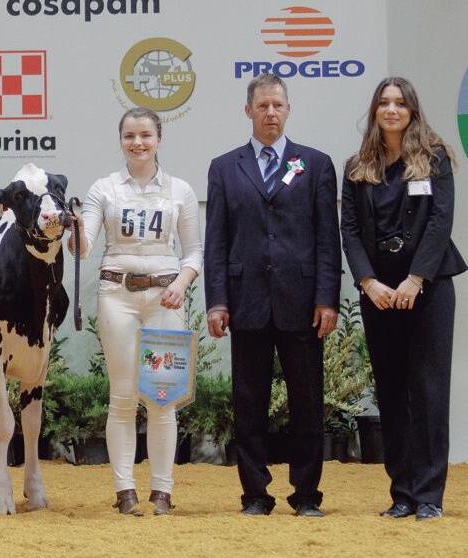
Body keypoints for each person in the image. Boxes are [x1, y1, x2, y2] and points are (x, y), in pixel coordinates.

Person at [204, 73, 340, 517]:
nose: (270, 113)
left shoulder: (315, 164)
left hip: (302, 303)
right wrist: (217, 301)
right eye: (262, 106)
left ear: (288, 110)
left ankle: (307, 495)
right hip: (246, 302)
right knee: (249, 405)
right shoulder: (225, 167)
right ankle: (255, 495)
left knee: (307, 403)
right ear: (248, 110)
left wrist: (327, 298)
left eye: (278, 105)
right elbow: (216, 240)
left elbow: (328, 238)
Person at [340, 77, 463, 521]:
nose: (391, 110)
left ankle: (429, 495)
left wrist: (415, 279)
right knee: (392, 392)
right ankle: (403, 493)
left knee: (428, 392)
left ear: (412, 110)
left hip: (427, 289)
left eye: (400, 103)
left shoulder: (434, 157)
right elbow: (350, 229)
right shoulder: (357, 166)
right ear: (375, 111)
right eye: (384, 103)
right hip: (379, 294)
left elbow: (441, 221)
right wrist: (368, 283)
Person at [71, 107, 202, 516]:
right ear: (121, 140)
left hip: (166, 297)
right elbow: (83, 246)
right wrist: (73, 231)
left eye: (145, 135)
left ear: (158, 139)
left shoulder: (180, 190)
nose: (138, 143)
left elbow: (194, 251)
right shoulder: (103, 189)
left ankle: (162, 491)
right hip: (117, 295)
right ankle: (124, 490)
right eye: (129, 136)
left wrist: (182, 283)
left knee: (163, 398)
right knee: (123, 395)